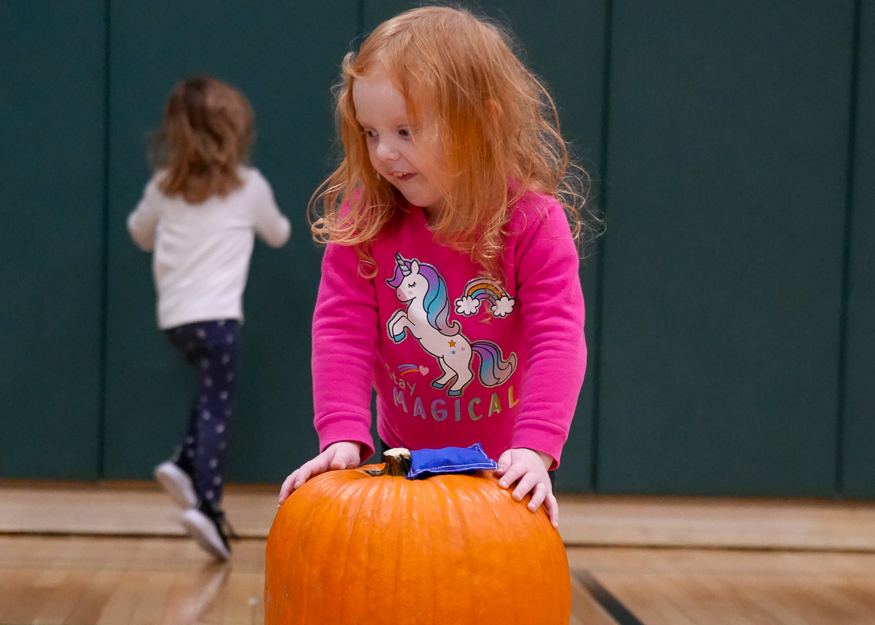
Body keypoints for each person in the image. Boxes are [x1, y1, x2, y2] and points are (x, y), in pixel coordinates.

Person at [278, 6, 595, 528]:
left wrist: (535, 449)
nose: (384, 153)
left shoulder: (534, 221)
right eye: (371, 133)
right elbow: (341, 328)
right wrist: (341, 435)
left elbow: (558, 337)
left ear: (483, 123)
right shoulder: (366, 218)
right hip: (401, 455)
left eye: (405, 131)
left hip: (507, 468)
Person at [128, 76, 290, 560]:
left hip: (177, 322)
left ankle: (182, 461)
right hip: (219, 320)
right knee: (218, 407)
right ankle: (207, 505)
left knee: (208, 393)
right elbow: (279, 233)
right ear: (234, 132)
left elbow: (138, 233)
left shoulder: (162, 187)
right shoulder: (249, 188)